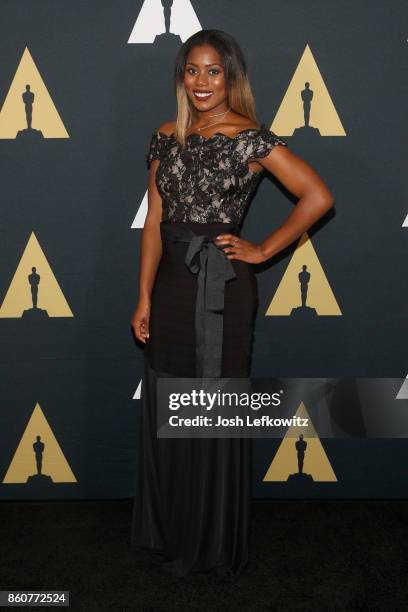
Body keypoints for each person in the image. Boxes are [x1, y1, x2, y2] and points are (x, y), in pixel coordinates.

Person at [130, 29, 334, 577]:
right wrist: (144, 295)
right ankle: (170, 528)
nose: (201, 82)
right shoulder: (164, 135)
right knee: (170, 401)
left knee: (211, 408)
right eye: (192, 70)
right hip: (171, 285)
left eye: (213, 71)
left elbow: (318, 197)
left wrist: (263, 249)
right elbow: (154, 221)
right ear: (182, 77)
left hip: (222, 286)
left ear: (231, 77)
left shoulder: (252, 139)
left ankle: (210, 542)